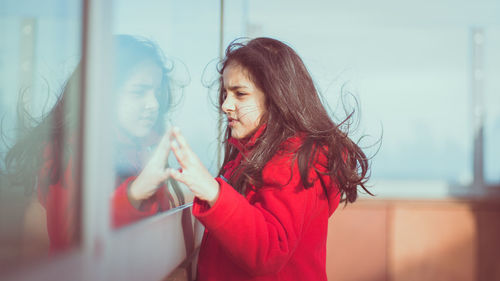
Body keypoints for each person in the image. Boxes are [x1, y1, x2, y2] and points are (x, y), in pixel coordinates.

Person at [167, 37, 372, 281]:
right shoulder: (261, 155)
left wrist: (213, 191)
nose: (225, 105)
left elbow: (269, 251)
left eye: (240, 94)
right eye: (225, 93)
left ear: (276, 98)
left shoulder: (295, 159)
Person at [3, 34, 185, 253]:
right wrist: (133, 194)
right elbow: (72, 244)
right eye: (139, 92)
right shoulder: (70, 151)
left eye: (156, 92)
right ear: (103, 95)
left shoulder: (139, 151)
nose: (153, 104)